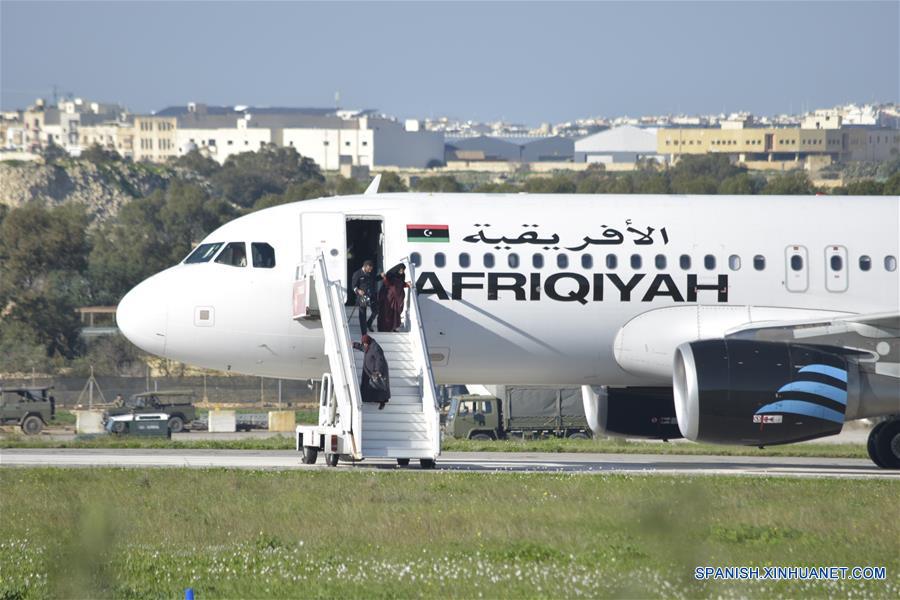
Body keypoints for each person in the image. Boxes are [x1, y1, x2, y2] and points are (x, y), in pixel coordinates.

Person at [353, 334, 390, 409]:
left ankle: (382, 402)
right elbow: (362, 347)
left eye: (365, 343)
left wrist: (377, 371)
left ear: (368, 342)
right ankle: (369, 399)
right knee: (369, 387)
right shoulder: (368, 346)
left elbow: (380, 360)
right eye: (364, 343)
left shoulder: (375, 348)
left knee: (379, 387)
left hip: (376, 372)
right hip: (369, 371)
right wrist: (354, 345)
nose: (365, 345)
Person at [377, 263, 410, 332]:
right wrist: (385, 278)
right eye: (401, 270)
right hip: (388, 297)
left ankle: (393, 327)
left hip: (396, 297)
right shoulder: (390, 274)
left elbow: (400, 284)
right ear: (398, 269)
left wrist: (407, 284)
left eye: (403, 270)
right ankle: (384, 328)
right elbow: (387, 284)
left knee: (396, 313)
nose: (402, 271)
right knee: (386, 312)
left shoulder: (402, 275)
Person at [350, 259, 378, 334]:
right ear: (365, 266)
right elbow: (353, 286)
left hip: (371, 295)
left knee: (375, 311)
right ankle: (364, 332)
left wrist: (381, 276)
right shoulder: (357, 273)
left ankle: (369, 323)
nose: (370, 271)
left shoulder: (371, 273)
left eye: (371, 269)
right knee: (362, 315)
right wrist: (358, 291)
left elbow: (375, 279)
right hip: (362, 297)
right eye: (369, 269)